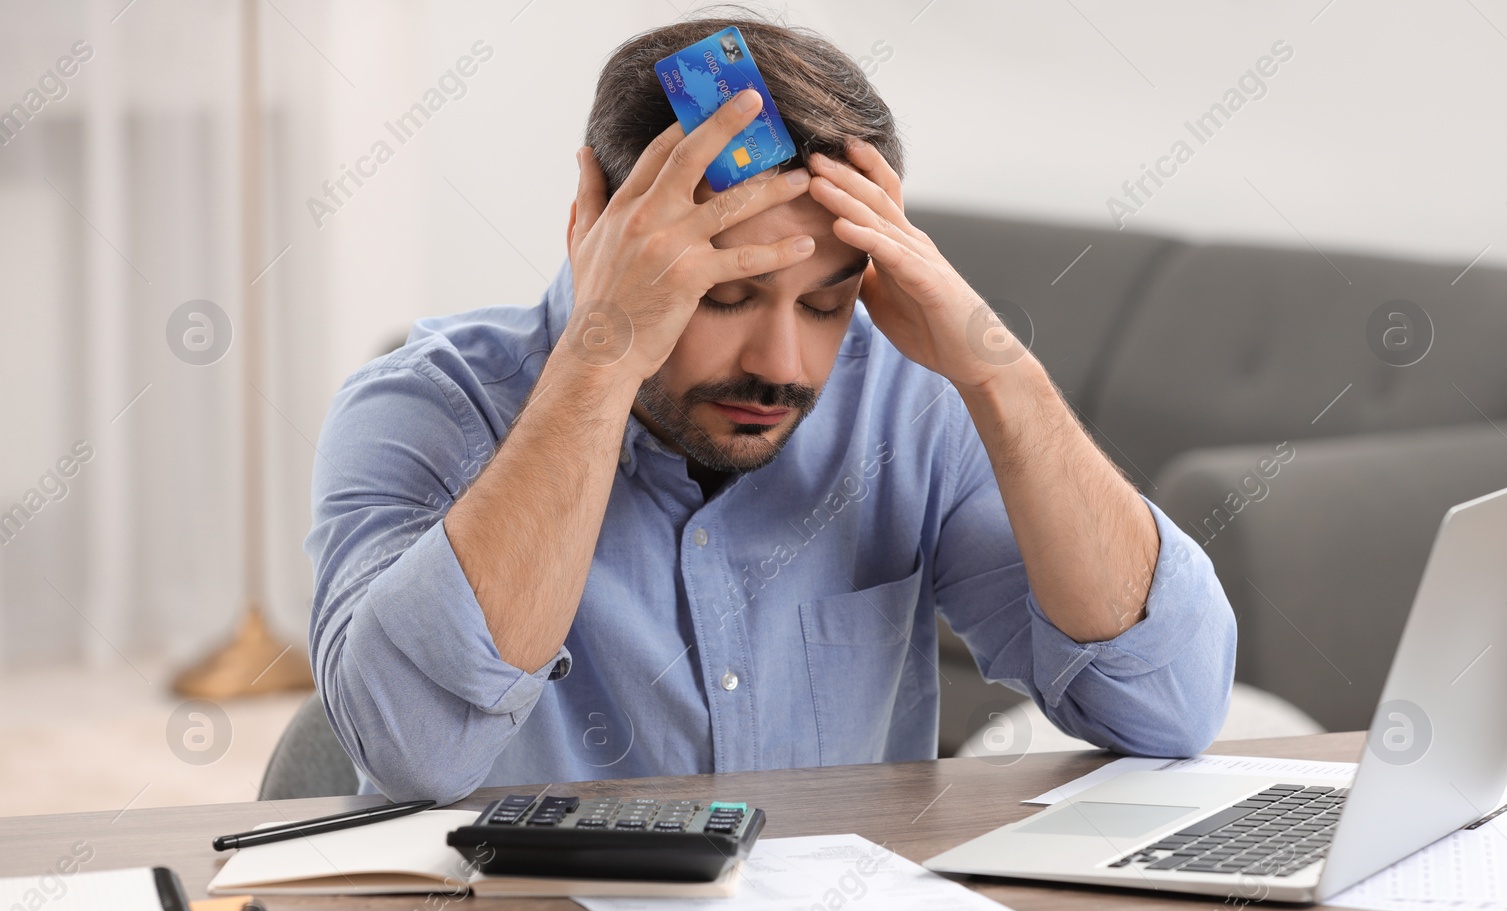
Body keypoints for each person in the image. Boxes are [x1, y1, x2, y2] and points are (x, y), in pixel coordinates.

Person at [305, 15, 1237, 803]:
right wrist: (600, 362)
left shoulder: (907, 406)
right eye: (723, 295)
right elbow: (415, 753)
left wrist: (1002, 378)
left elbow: (1166, 709)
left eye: (827, 304)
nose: (783, 365)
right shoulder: (420, 409)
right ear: (595, 230)